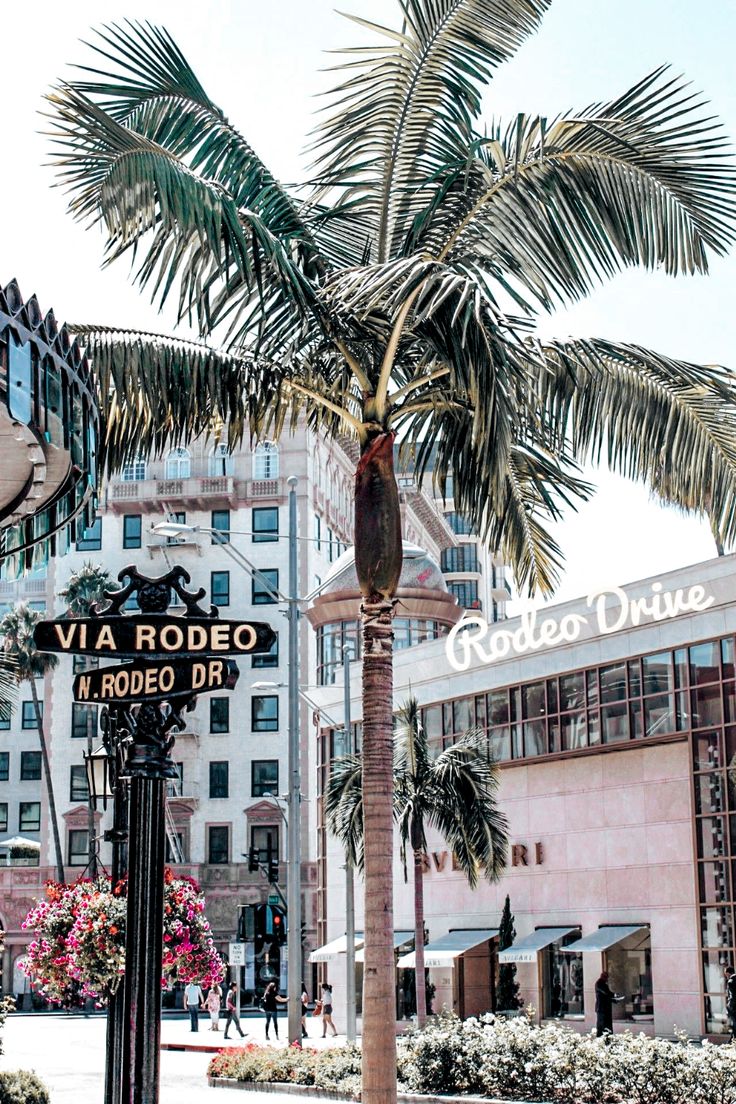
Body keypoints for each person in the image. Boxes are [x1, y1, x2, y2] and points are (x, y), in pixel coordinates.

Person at [595, 971, 622, 1037]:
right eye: (606, 977)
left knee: (607, 1025)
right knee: (602, 1026)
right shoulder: (599, 984)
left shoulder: (603, 984)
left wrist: (614, 999)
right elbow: (606, 993)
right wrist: (614, 995)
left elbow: (607, 995)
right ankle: (601, 1039)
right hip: (601, 1008)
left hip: (605, 1009)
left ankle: (607, 1038)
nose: (607, 979)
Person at [725, 966, 736, 1040]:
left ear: (728, 973)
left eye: (726, 974)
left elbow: (732, 996)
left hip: (734, 1008)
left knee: (734, 1025)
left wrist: (729, 1007)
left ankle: (733, 1041)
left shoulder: (731, 982)